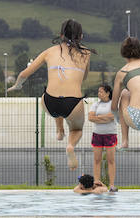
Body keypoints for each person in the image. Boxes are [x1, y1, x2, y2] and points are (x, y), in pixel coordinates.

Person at [8, 19, 92, 170]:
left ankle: (59, 130)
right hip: (73, 103)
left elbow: (24, 74)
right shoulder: (86, 53)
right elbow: (84, 77)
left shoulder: (50, 51)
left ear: (61, 35)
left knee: (55, 104)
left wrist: (17, 86)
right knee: (76, 130)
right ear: (81, 36)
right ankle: (70, 146)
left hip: (49, 102)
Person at [88, 83, 119, 191]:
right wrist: (104, 118)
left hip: (110, 134)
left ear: (107, 93)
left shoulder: (113, 104)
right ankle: (97, 182)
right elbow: (90, 118)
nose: (99, 93)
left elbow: (112, 117)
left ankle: (112, 185)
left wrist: (98, 117)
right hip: (97, 134)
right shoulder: (95, 104)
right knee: (97, 160)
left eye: (101, 91)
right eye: (98, 92)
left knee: (111, 160)